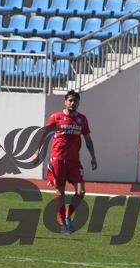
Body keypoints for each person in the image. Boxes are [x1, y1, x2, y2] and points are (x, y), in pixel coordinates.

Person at [32, 90, 97, 235]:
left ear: (78, 103)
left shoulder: (82, 119)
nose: (72, 103)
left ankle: (68, 216)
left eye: (75, 101)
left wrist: (93, 157)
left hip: (74, 161)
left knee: (81, 191)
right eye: (70, 100)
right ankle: (63, 224)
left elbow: (87, 139)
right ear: (65, 102)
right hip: (58, 159)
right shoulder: (56, 117)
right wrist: (37, 152)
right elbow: (43, 134)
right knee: (60, 191)